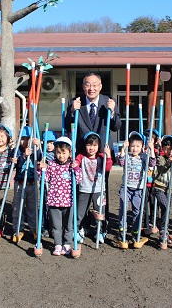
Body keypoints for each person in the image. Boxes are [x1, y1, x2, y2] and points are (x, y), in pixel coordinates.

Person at [65, 73, 121, 234]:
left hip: (102, 154)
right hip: (82, 155)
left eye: (95, 85)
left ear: (101, 86)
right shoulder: (76, 102)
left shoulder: (108, 102)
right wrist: (71, 112)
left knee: (101, 190)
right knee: (81, 190)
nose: (92, 88)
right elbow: (68, 125)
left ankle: (101, 225)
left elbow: (116, 126)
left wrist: (112, 112)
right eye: (88, 85)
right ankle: (81, 225)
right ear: (83, 87)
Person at [40, 136, 82, 256]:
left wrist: (76, 169)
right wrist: (41, 169)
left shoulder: (71, 166)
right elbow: (45, 179)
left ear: (69, 153)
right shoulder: (52, 164)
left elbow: (79, 179)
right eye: (58, 152)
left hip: (69, 201)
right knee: (56, 226)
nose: (61, 156)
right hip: (54, 201)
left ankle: (68, 244)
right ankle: (58, 244)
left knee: (69, 226)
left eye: (64, 153)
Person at [74, 131, 112, 244]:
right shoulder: (81, 156)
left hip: (99, 189)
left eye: (94, 145)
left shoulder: (101, 157)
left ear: (99, 146)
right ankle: (78, 230)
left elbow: (108, 168)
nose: (91, 148)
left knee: (100, 211)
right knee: (80, 212)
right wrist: (75, 164)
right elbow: (75, 163)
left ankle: (100, 231)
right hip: (84, 189)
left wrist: (108, 155)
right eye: (89, 145)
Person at [118, 132, 156, 242]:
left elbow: (153, 164)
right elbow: (121, 162)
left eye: (138, 146)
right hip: (126, 187)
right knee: (123, 208)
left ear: (142, 147)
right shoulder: (127, 156)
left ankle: (135, 231)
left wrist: (152, 149)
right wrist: (123, 149)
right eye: (132, 146)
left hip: (138, 189)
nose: (135, 149)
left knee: (137, 211)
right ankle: (122, 230)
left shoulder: (144, 157)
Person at [11, 126, 41, 241]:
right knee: (17, 208)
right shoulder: (16, 150)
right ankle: (18, 229)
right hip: (19, 183)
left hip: (32, 183)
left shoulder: (34, 149)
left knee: (32, 208)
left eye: (27, 138)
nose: (25, 141)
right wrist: (23, 156)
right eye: (22, 138)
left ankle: (34, 229)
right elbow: (16, 164)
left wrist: (37, 146)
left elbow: (39, 157)